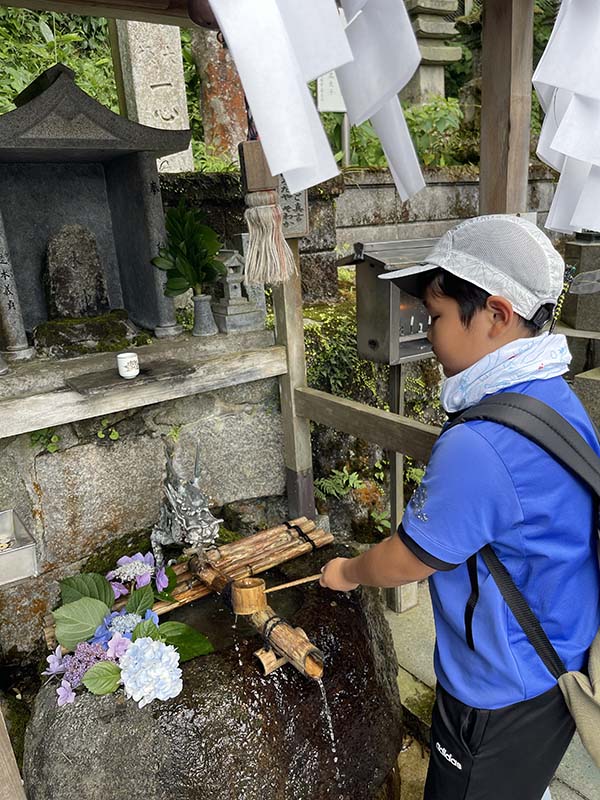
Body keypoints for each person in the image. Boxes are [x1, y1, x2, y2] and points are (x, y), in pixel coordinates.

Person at [319, 215, 600, 800]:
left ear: (497, 315)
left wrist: (346, 571)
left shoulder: (482, 444)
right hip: (560, 656)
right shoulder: (552, 395)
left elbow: (407, 560)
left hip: (499, 685)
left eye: (437, 317)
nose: (429, 335)